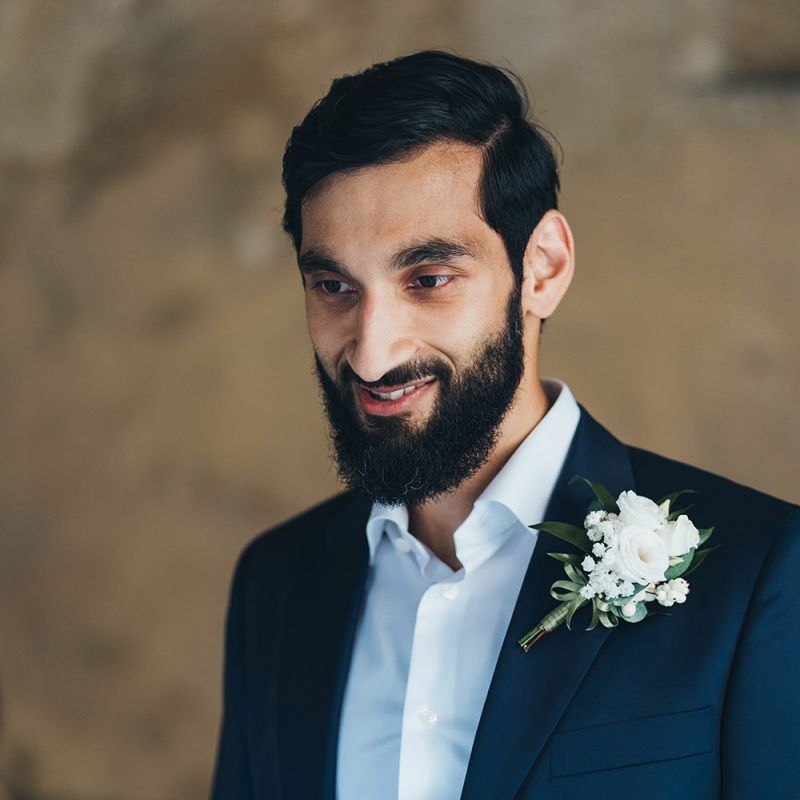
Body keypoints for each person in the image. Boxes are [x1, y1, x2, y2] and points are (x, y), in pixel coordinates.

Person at [210, 50, 799, 800]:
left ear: (543, 268)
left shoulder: (758, 574)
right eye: (333, 285)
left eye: (428, 279)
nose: (370, 349)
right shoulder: (278, 580)